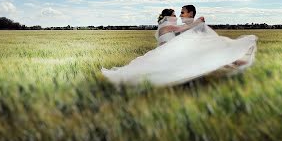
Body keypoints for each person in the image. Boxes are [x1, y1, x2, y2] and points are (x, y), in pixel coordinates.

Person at [101, 6, 258, 86]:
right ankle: (231, 62)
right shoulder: (166, 27)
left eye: (179, 14)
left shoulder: (165, 27)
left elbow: (181, 35)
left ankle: (229, 63)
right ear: (168, 17)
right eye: (175, 14)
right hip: (165, 54)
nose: (177, 17)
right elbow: (182, 29)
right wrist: (197, 22)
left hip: (167, 52)